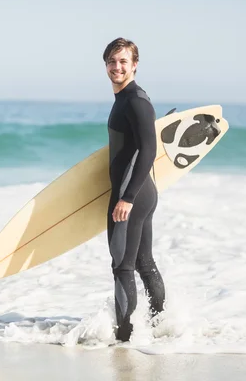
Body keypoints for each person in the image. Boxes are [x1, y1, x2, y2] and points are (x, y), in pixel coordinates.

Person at [103, 38, 165, 342]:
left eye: (123, 61)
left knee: (122, 267)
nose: (117, 67)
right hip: (141, 192)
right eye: (112, 62)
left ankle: (123, 340)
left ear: (135, 64)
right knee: (142, 263)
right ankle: (160, 328)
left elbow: (149, 150)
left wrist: (126, 198)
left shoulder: (136, 101)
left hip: (132, 195)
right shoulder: (125, 99)